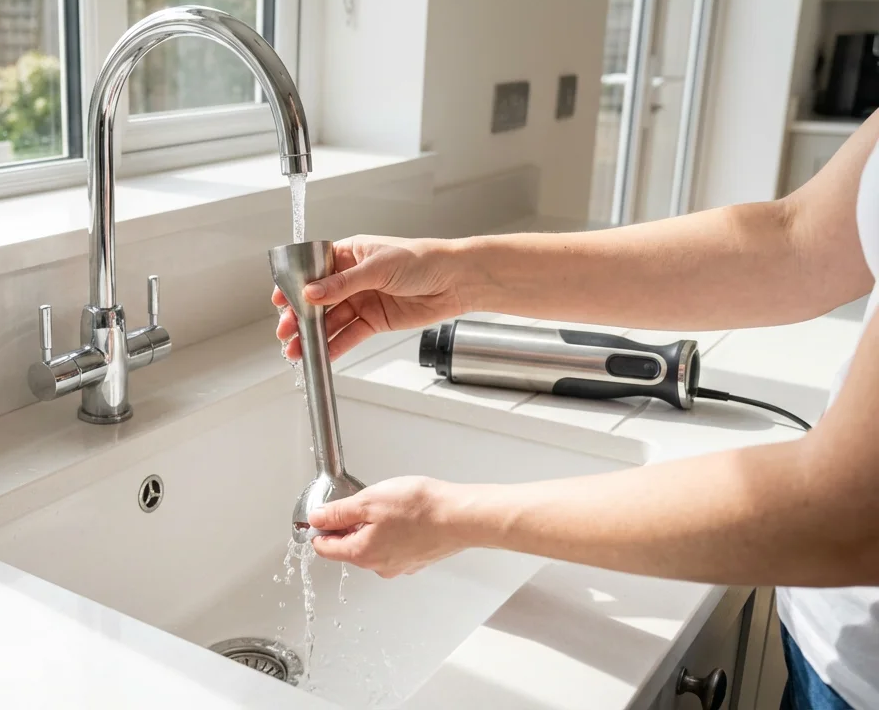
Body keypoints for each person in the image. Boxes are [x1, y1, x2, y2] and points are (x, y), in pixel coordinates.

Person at [273, 114, 879, 710]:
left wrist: (455, 517)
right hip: (829, 642)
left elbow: (847, 508)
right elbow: (791, 240)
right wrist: (459, 273)